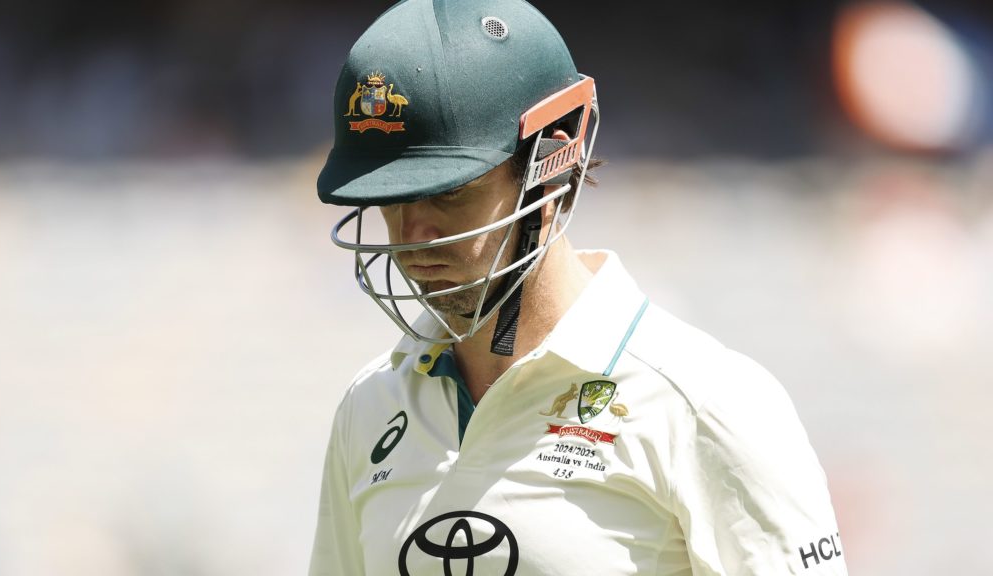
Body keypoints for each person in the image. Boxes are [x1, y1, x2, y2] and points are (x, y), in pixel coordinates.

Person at [309, 0, 847, 574]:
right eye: (391, 200)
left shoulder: (705, 403)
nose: (413, 235)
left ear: (553, 160)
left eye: (448, 194)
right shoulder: (370, 406)